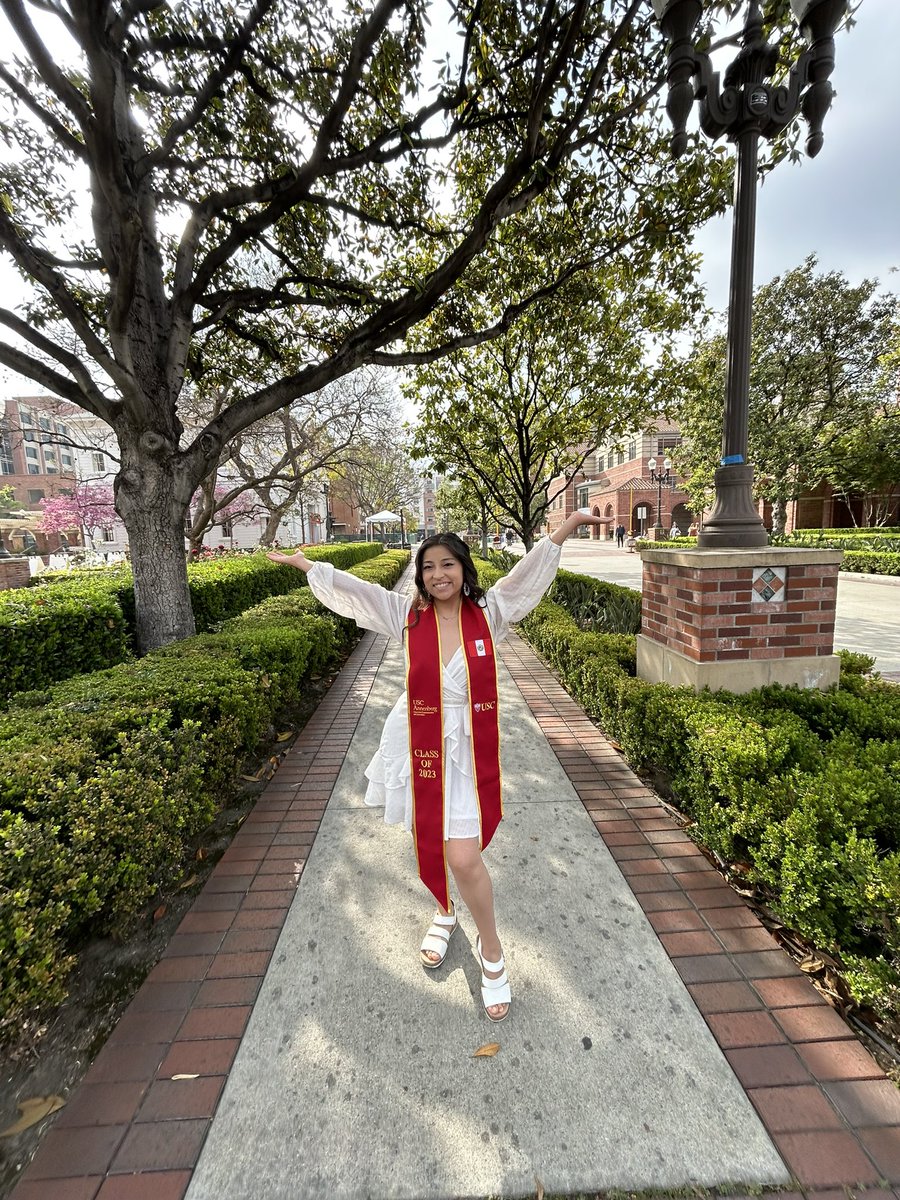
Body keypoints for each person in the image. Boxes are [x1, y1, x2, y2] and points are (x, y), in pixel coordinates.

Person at [267, 511, 605, 1021]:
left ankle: (491, 950)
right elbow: (357, 592)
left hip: (466, 750)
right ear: (420, 574)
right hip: (418, 740)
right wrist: (308, 566)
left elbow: (527, 575)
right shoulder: (407, 615)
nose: (437, 574)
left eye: (447, 564)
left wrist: (567, 527)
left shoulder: (488, 614)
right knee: (431, 836)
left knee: (465, 856)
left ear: (464, 571)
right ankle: (446, 910)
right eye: (428, 567)